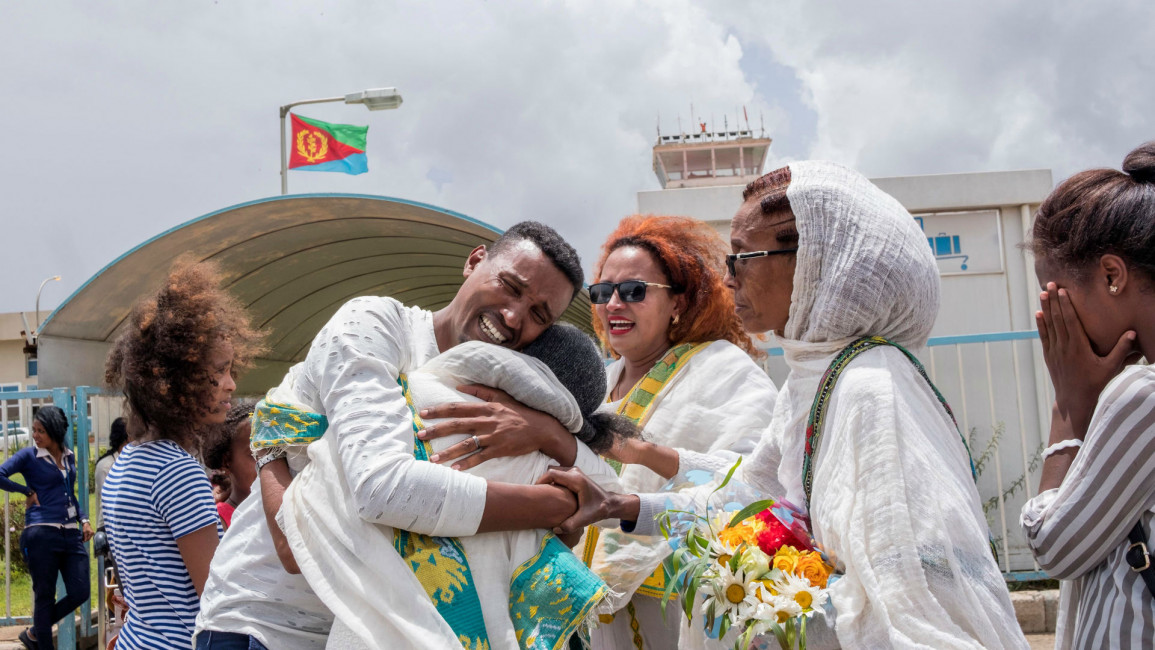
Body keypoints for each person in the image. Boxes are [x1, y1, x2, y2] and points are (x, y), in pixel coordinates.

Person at [541, 162, 1027, 648]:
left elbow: (916, 596)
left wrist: (777, 602)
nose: (728, 280)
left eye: (742, 258)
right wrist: (618, 505)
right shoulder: (811, 381)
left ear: (813, 260)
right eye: (603, 292)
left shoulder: (870, 385)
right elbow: (749, 492)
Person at [194, 221, 597, 650]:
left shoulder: (511, 400)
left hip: (370, 628)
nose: (514, 316)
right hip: (263, 621)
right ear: (475, 260)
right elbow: (382, 489)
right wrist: (557, 503)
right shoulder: (377, 324)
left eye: (539, 314)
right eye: (510, 286)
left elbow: (582, 509)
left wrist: (551, 435)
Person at [276, 323, 635, 649]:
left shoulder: (401, 394)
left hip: (374, 629)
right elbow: (611, 503)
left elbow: (302, 511)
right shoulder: (555, 459)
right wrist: (554, 438)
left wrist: (267, 453)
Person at [568, 215, 780, 648]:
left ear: (679, 302)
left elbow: (757, 483)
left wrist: (648, 455)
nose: (613, 305)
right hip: (590, 612)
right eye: (603, 293)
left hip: (685, 608)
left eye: (634, 292)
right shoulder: (598, 384)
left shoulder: (722, 368)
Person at [1020, 142, 1155, 649]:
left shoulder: (1141, 397)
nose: (1048, 317)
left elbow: (1053, 548)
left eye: (1053, 293)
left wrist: (1069, 404)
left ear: (1112, 275)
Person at [101, 262, 263, 649]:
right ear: (177, 382)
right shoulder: (177, 471)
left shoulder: (126, 462)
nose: (231, 384)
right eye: (220, 372)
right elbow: (218, 591)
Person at [0, 405, 93, 650]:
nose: (35, 435)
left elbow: (69, 494)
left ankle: (34, 632)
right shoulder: (29, 456)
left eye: (41, 430)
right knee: (44, 596)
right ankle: (40, 640)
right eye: (34, 430)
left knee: (80, 590)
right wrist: (26, 491)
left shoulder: (69, 456)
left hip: (70, 534)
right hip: (41, 533)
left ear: (54, 431)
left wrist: (83, 519)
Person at [204, 402, 258, 529]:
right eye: (255, 454)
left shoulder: (286, 512)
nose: (267, 462)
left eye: (277, 452)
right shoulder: (219, 523)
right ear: (226, 462)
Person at [94, 417, 127, 511]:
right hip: (108, 522)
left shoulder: (132, 461)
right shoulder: (106, 465)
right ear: (127, 437)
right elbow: (108, 499)